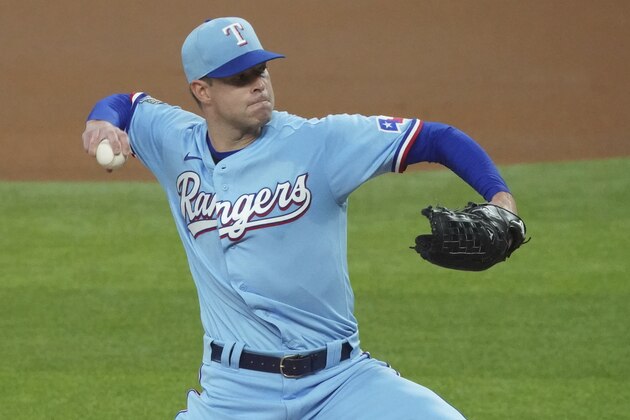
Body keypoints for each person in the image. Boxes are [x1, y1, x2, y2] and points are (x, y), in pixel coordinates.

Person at [82, 16, 518, 420]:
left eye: (261, 71)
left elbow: (435, 138)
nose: (259, 85)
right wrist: (103, 122)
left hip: (339, 383)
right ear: (202, 90)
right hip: (233, 396)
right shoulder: (174, 142)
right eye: (240, 78)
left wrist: (501, 201)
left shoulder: (320, 143)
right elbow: (126, 103)